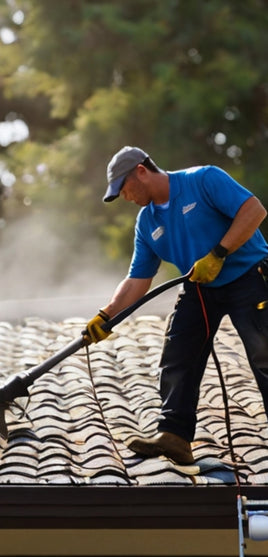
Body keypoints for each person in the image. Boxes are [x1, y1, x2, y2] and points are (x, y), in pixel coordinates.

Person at [84, 146, 268, 465]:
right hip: (200, 287)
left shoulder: (203, 180)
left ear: (141, 171)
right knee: (178, 353)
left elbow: (254, 211)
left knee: (263, 353)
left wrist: (219, 253)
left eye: (124, 188)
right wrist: (107, 315)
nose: (125, 197)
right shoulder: (147, 222)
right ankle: (175, 436)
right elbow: (138, 279)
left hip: (248, 276)